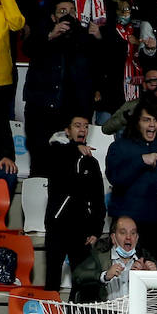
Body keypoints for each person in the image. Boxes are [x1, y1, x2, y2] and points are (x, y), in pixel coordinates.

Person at [23, 0, 99, 168]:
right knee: (40, 161)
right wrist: (50, 35)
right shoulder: (43, 34)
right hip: (40, 112)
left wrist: (98, 38)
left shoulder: (84, 39)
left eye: (72, 11)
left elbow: (96, 69)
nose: (68, 15)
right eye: (62, 11)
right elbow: (27, 48)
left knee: (67, 164)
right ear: (53, 17)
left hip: (69, 114)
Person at [105, 105, 157, 262]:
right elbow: (115, 178)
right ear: (136, 122)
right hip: (129, 229)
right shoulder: (119, 147)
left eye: (156, 120)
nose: (152, 125)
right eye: (147, 120)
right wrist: (141, 160)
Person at [42, 115, 106, 291]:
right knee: (52, 280)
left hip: (82, 230)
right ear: (68, 131)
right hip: (57, 227)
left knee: (81, 282)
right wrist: (75, 148)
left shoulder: (91, 162)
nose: (83, 130)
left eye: (86, 127)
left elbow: (98, 199)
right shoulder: (57, 153)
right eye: (77, 126)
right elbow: (51, 151)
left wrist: (96, 229)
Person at [101, 65, 157, 163]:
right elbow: (106, 128)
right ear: (144, 85)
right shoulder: (132, 106)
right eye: (153, 81)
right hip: (137, 167)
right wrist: (127, 116)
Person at [70, 215, 157, 303]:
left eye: (133, 233)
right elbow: (77, 276)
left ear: (137, 238)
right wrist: (105, 276)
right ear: (113, 237)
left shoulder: (145, 259)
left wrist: (150, 278)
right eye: (123, 233)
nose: (128, 237)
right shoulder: (100, 256)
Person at [0, 0, 24, 179]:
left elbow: (17, 23)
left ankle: (4, 157)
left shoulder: (3, 3)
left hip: (2, 79)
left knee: (1, 123)